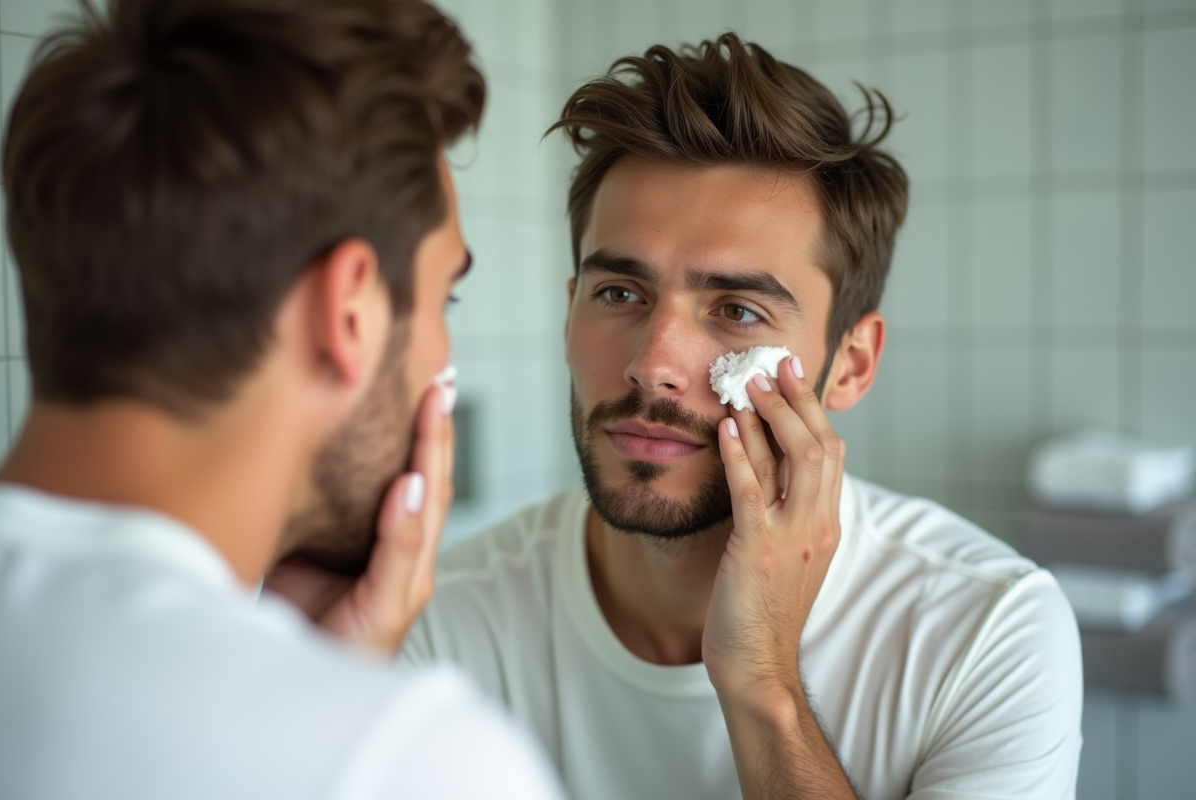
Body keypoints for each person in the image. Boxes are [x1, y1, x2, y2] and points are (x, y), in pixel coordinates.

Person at [400, 33, 1084, 800]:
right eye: (620, 294)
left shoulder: (987, 633)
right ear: (569, 317)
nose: (653, 363)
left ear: (852, 363)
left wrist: (765, 687)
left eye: (737, 310)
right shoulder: (442, 618)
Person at [0, 0, 563, 798]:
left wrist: (321, 672)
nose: (443, 358)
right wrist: (338, 708)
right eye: (446, 301)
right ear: (351, 312)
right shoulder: (414, 760)